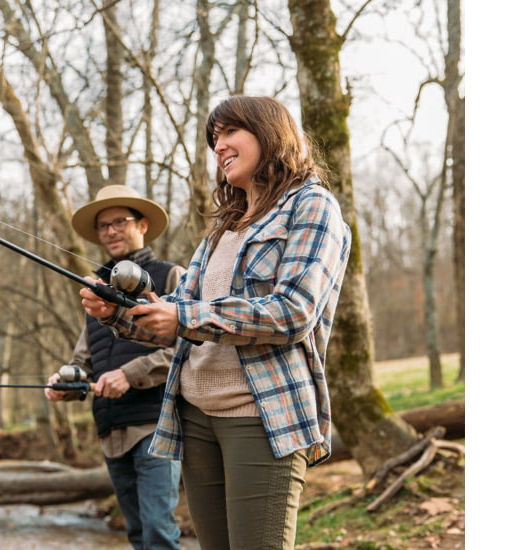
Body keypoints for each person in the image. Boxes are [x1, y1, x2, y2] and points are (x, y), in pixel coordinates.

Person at [78, 96, 352, 550]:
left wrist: (182, 314)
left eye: (229, 133)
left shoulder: (312, 206)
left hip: (261, 414)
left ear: (270, 134)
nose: (218, 146)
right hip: (194, 415)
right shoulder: (222, 228)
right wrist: (119, 314)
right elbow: (178, 316)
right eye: (214, 139)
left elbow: (293, 312)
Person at [45, 184, 186, 550]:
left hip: (157, 425)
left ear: (141, 224)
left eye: (118, 222)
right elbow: (83, 359)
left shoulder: (171, 277)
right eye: (103, 226)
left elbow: (190, 350)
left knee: (159, 533)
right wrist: (64, 382)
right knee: (138, 536)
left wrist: (130, 374)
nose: (110, 231)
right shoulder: (92, 290)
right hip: (110, 430)